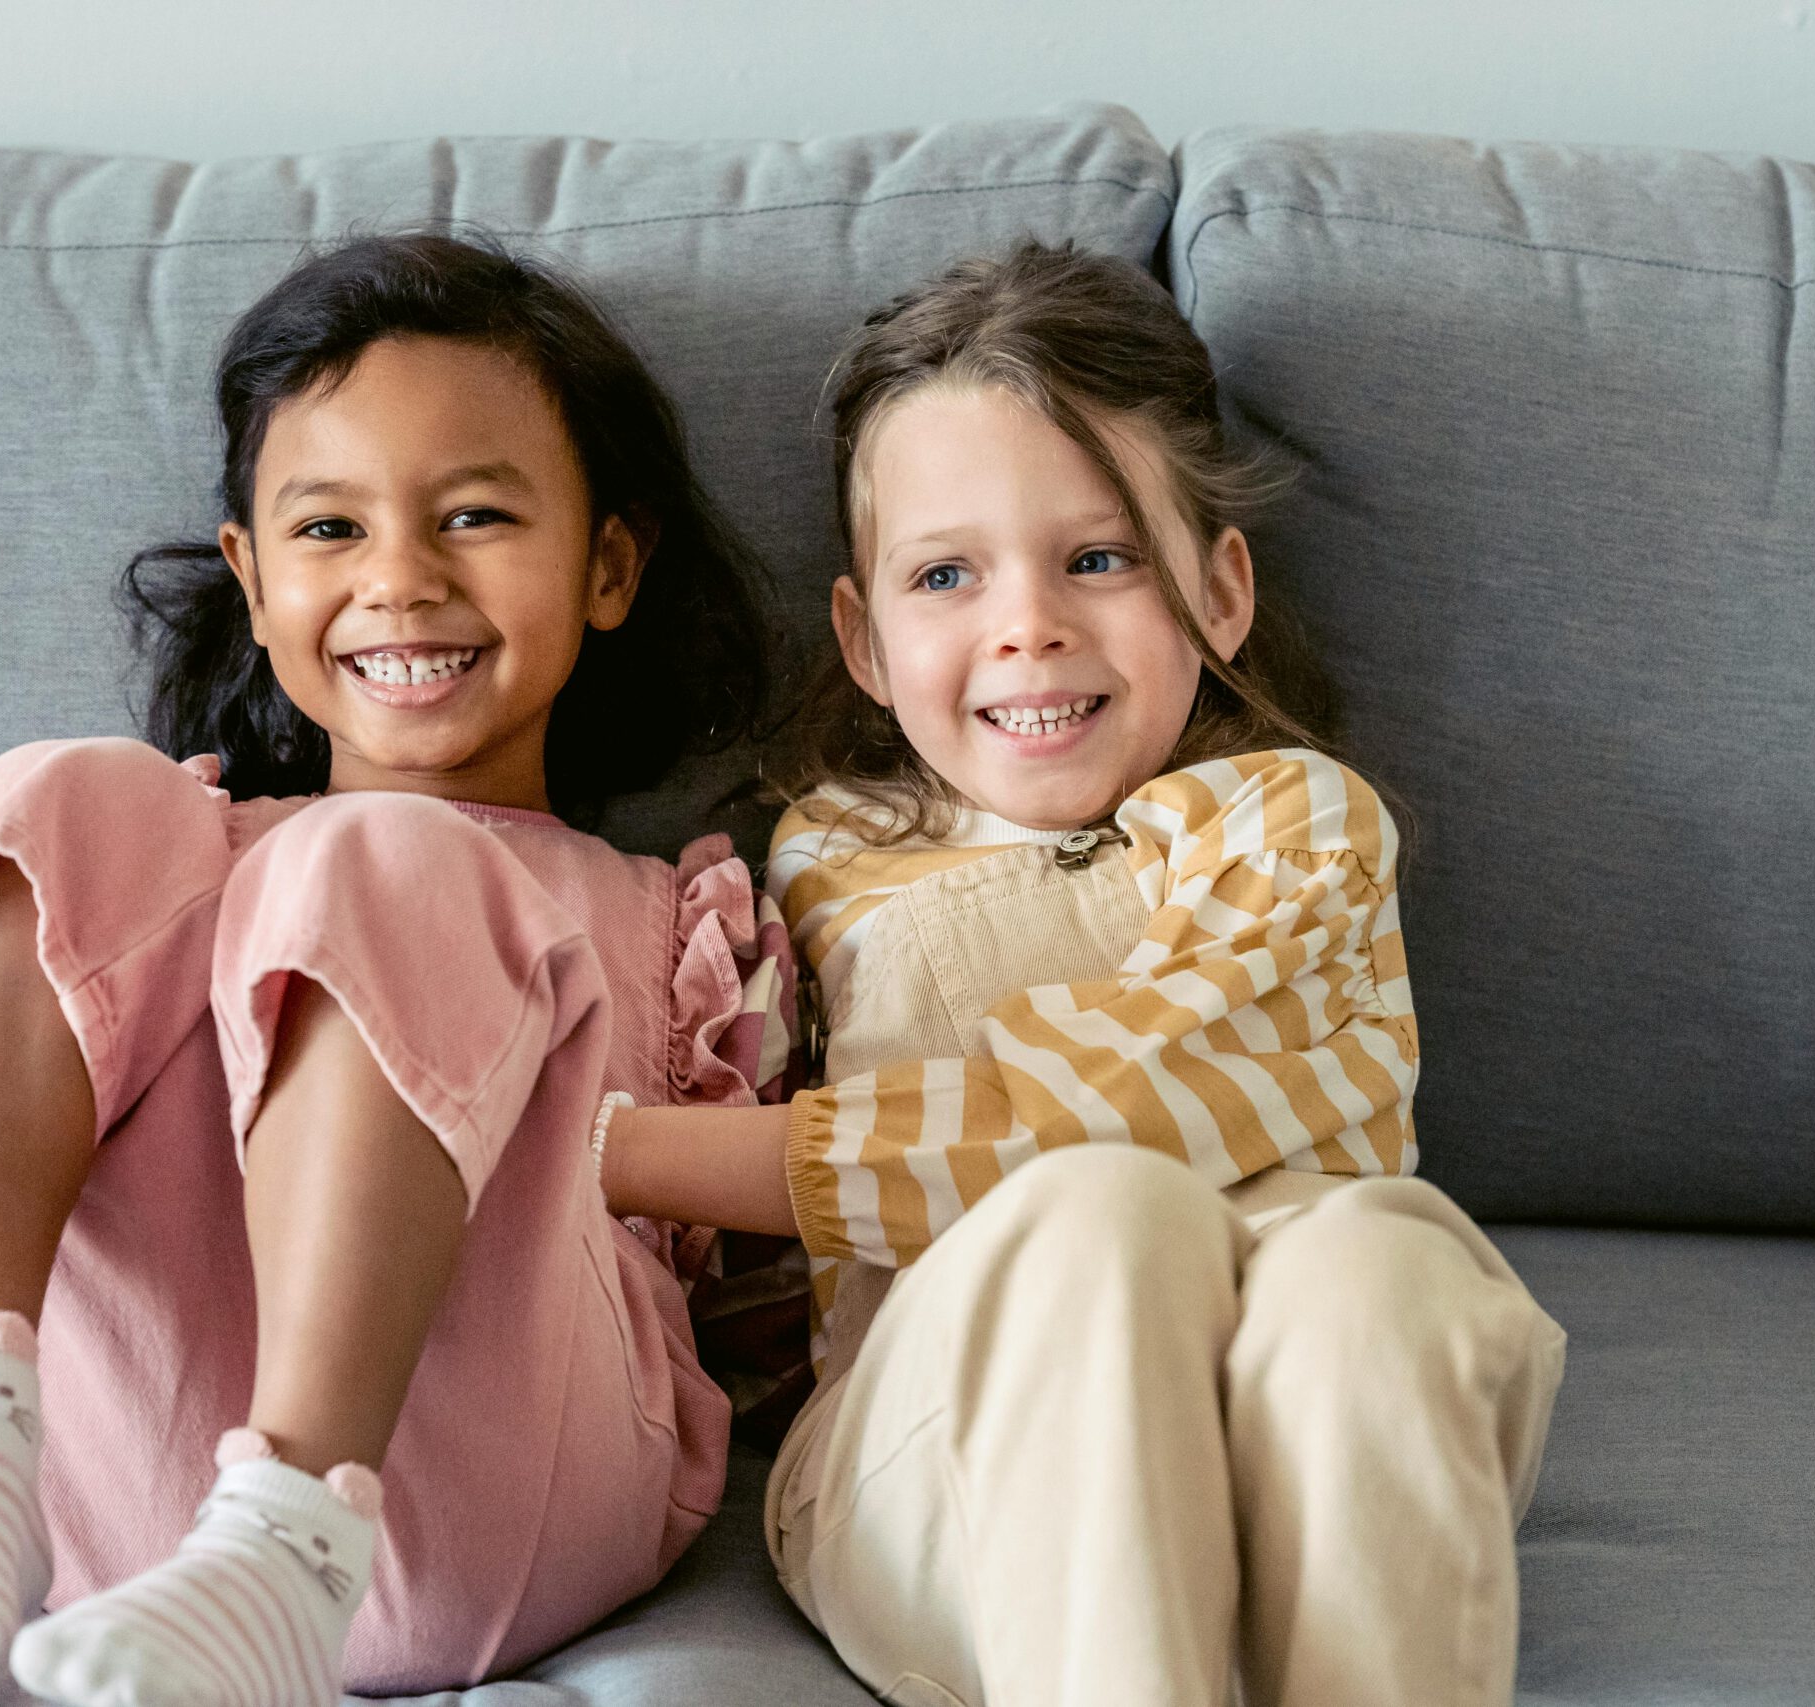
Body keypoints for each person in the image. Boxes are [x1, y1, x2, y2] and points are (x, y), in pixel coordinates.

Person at [0, 232, 796, 1707]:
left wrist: (563, 1136)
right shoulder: (146, 859)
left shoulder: (680, 920)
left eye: (478, 514)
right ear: (248, 577)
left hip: (487, 1501)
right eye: (328, 531)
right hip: (125, 1514)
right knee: (61, 792)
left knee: (385, 857)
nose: (401, 579)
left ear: (607, 564)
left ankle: (295, 1534)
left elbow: (761, 1320)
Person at [593, 242, 1569, 1707]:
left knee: (1380, 1261)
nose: (1028, 622)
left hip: (1302, 1435)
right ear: (864, 639)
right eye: (946, 574)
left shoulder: (1296, 826)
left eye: (1098, 558)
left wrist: (641, 1159)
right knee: (1104, 1226)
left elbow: (1124, 1096)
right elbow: (747, 1276)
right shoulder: (817, 861)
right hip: (945, 1463)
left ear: (1220, 593)